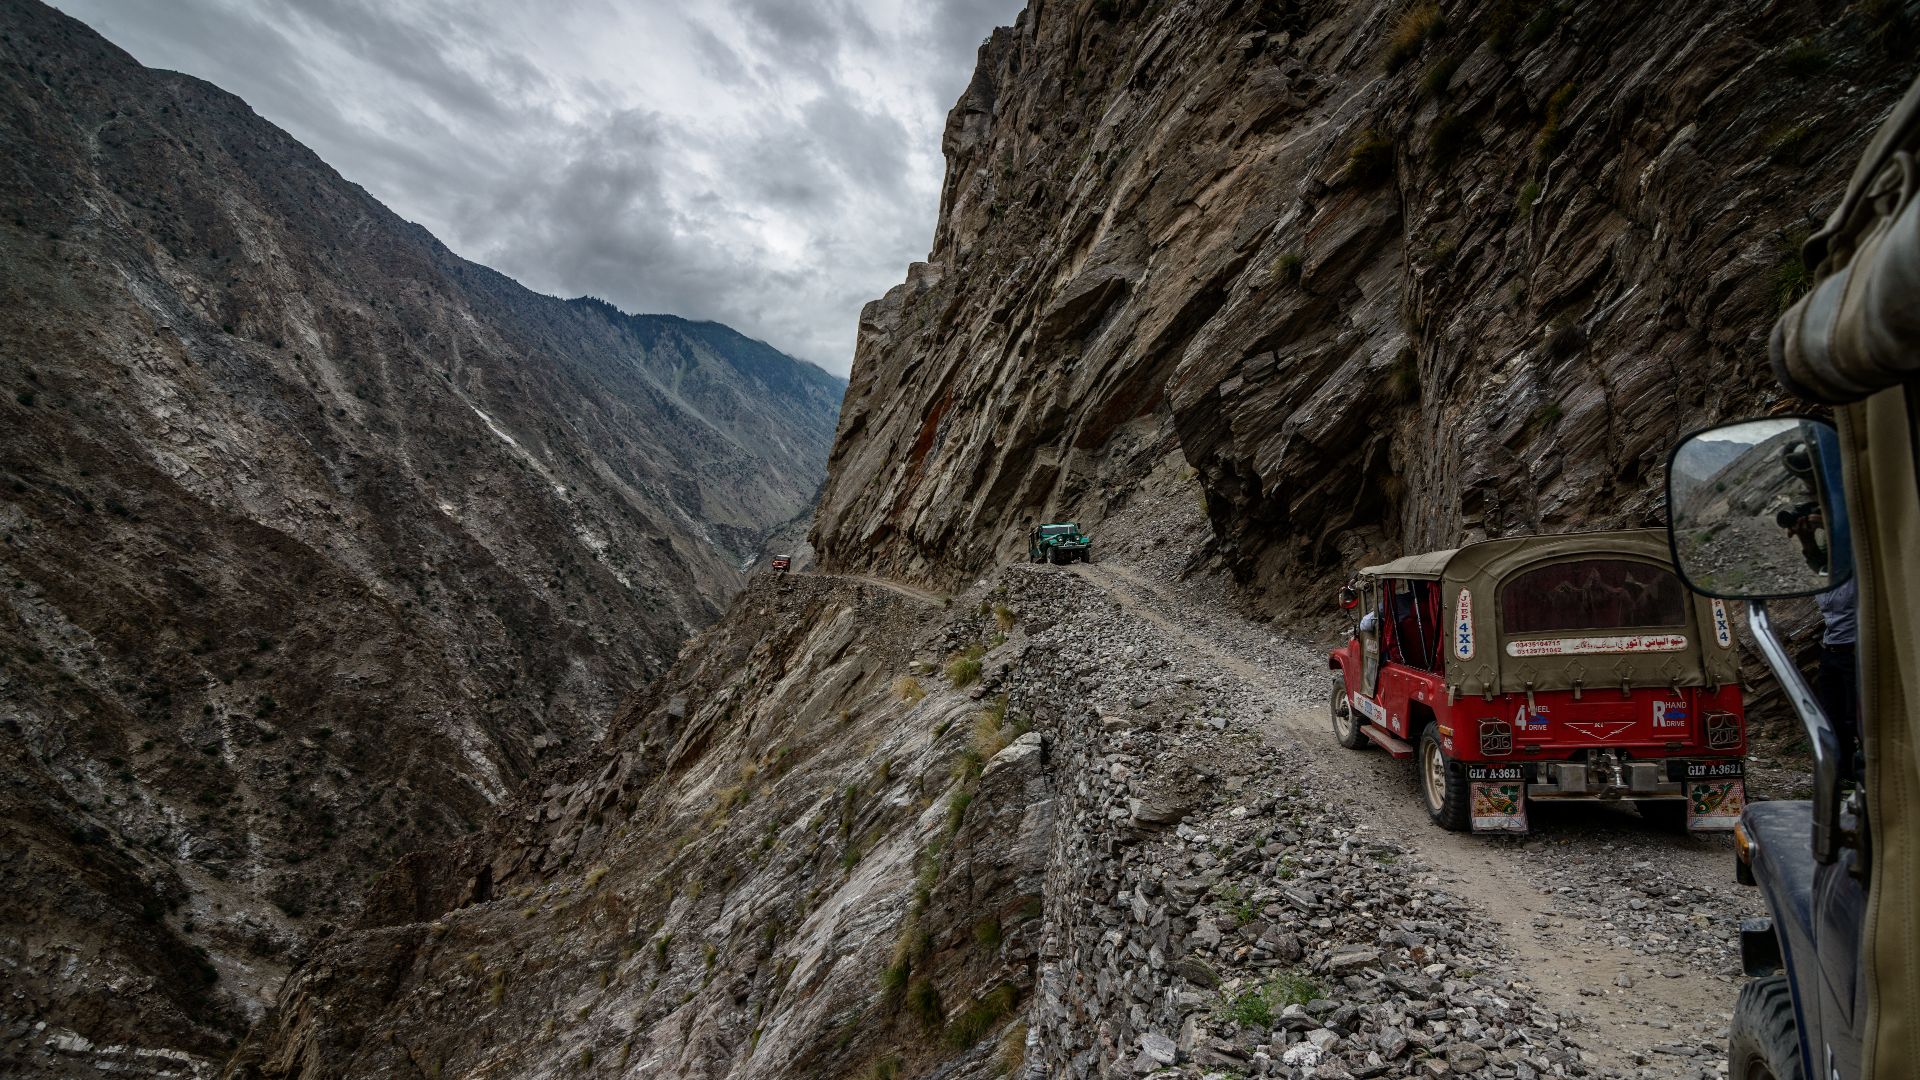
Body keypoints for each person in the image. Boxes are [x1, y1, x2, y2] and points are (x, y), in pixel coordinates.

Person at [1815, 575, 1860, 777]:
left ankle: (1866, 767)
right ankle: (1843, 769)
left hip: (1852, 651)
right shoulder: (1819, 581)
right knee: (1831, 714)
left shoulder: (1854, 578)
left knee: (1854, 715)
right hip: (1829, 651)